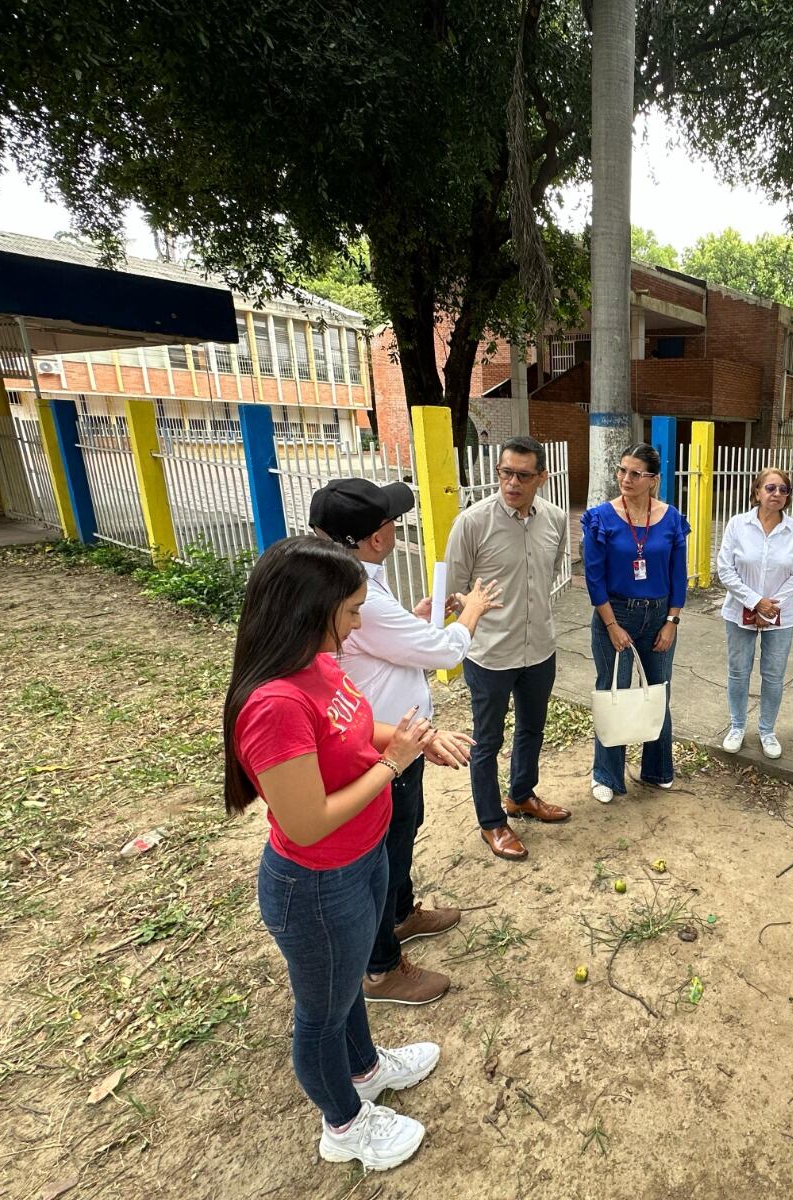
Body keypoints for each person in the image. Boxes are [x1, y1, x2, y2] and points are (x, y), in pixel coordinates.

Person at [222, 536, 477, 1171]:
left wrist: (415, 735)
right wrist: (393, 766)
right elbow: (307, 823)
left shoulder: (322, 664)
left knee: (345, 989)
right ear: (311, 609)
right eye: (352, 609)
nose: (360, 622)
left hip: (362, 859)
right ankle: (344, 1124)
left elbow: (361, 730)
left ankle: (365, 1069)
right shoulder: (275, 704)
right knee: (321, 1012)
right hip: (315, 881)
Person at [310, 477, 498, 1006]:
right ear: (374, 537)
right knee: (379, 852)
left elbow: (384, 643)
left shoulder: (355, 579)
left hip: (395, 736)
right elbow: (442, 654)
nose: (396, 526)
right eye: (391, 520)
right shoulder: (357, 593)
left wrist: (411, 623)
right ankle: (380, 968)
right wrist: (473, 611)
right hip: (375, 744)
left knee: (400, 834)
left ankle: (399, 915)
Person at [445, 436, 572, 862]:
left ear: (541, 477)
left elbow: (550, 572)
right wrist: (472, 608)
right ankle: (492, 822)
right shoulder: (473, 522)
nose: (511, 483)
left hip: (539, 649)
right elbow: (453, 590)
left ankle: (521, 795)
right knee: (487, 741)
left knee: (532, 729)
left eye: (522, 475)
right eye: (505, 473)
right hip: (490, 653)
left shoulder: (554, 519)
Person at [582, 443, 689, 804]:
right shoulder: (601, 517)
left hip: (659, 615)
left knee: (658, 690)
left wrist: (672, 620)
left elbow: (678, 574)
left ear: (653, 480)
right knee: (614, 690)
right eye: (622, 470)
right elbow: (594, 577)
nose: (626, 479)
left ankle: (657, 768)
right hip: (616, 614)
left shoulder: (671, 518)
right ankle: (606, 774)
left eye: (635, 473)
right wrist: (612, 625)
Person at [715, 466, 793, 760]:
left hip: (782, 614)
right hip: (739, 610)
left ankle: (767, 730)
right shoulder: (737, 525)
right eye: (770, 488)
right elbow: (725, 569)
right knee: (739, 672)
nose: (777, 494)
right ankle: (737, 726)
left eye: (783, 490)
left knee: (773, 675)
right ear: (757, 492)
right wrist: (755, 601)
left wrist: (769, 607)